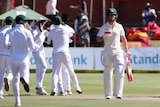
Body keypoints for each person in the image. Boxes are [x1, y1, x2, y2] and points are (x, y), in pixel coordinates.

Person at [5, 15, 40, 106]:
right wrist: (30, 48)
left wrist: (9, 46)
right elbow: (32, 46)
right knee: (25, 75)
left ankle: (17, 101)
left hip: (13, 58)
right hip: (24, 58)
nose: (26, 23)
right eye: (25, 21)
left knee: (15, 80)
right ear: (21, 21)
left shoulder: (10, 31)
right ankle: (24, 80)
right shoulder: (27, 32)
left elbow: (5, 44)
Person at [96, 8, 129, 99]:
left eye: (113, 15)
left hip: (117, 50)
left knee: (120, 71)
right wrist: (104, 36)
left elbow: (123, 38)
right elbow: (97, 39)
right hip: (107, 51)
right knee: (107, 72)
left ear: (116, 16)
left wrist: (126, 49)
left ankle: (118, 94)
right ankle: (108, 94)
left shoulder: (119, 27)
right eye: (110, 15)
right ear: (108, 16)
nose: (112, 17)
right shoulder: (104, 27)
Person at [47, 15, 82, 96]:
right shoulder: (66, 29)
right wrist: (64, 24)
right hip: (65, 52)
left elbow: (48, 42)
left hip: (56, 52)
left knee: (55, 72)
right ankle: (77, 88)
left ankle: (54, 89)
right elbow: (73, 31)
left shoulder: (52, 30)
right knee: (70, 70)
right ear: (61, 22)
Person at [32, 20, 49, 95]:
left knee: (39, 68)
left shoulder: (44, 31)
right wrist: (40, 32)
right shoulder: (35, 31)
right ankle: (39, 86)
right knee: (43, 67)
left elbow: (49, 37)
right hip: (36, 51)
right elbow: (33, 40)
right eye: (41, 23)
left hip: (41, 50)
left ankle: (38, 86)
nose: (43, 24)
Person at [0, 16, 14, 99]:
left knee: (1, 73)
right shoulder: (12, 31)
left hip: (1, 53)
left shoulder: (1, 31)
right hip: (10, 54)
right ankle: (8, 78)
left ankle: (0, 92)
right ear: (12, 23)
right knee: (11, 72)